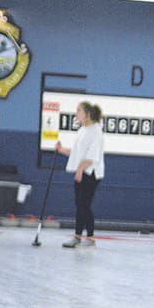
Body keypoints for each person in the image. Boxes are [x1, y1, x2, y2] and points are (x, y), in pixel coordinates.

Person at [55, 101, 104, 248]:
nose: (76, 114)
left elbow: (92, 156)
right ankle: (77, 236)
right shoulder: (82, 130)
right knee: (79, 205)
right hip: (81, 171)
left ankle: (89, 238)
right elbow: (77, 152)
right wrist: (61, 149)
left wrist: (80, 170)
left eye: (78, 111)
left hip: (91, 173)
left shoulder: (96, 131)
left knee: (84, 205)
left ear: (87, 114)